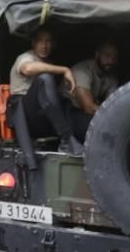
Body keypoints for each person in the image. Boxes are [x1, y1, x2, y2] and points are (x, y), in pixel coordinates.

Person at [10, 26, 84, 158]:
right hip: (25, 116)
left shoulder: (48, 62)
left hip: (42, 117)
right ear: (33, 43)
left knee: (65, 102)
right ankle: (67, 139)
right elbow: (27, 69)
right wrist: (64, 70)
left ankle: (73, 140)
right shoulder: (26, 57)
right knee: (45, 79)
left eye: (48, 41)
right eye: (40, 41)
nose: (44, 46)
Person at [67, 39, 120, 143]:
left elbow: (112, 105)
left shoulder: (112, 76)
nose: (111, 61)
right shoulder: (82, 70)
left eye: (115, 57)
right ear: (97, 55)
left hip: (87, 113)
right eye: (107, 56)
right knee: (100, 130)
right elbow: (89, 108)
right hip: (68, 112)